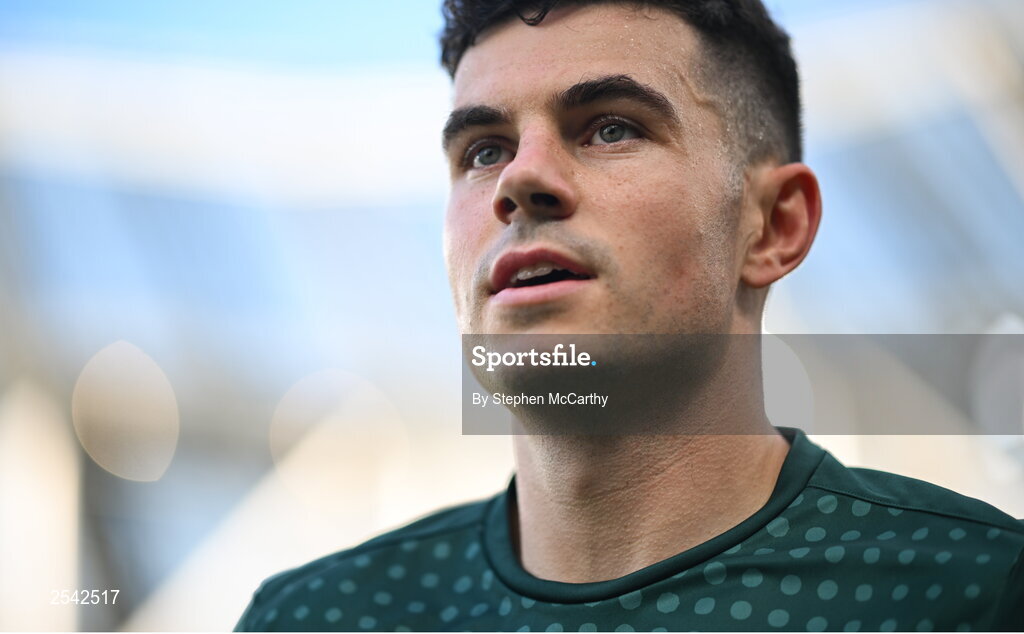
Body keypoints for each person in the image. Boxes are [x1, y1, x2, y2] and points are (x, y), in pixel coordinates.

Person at [235, 1, 1024, 631]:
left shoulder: (976, 595)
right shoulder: (315, 619)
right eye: (482, 149)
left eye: (612, 127)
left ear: (774, 225)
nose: (520, 180)